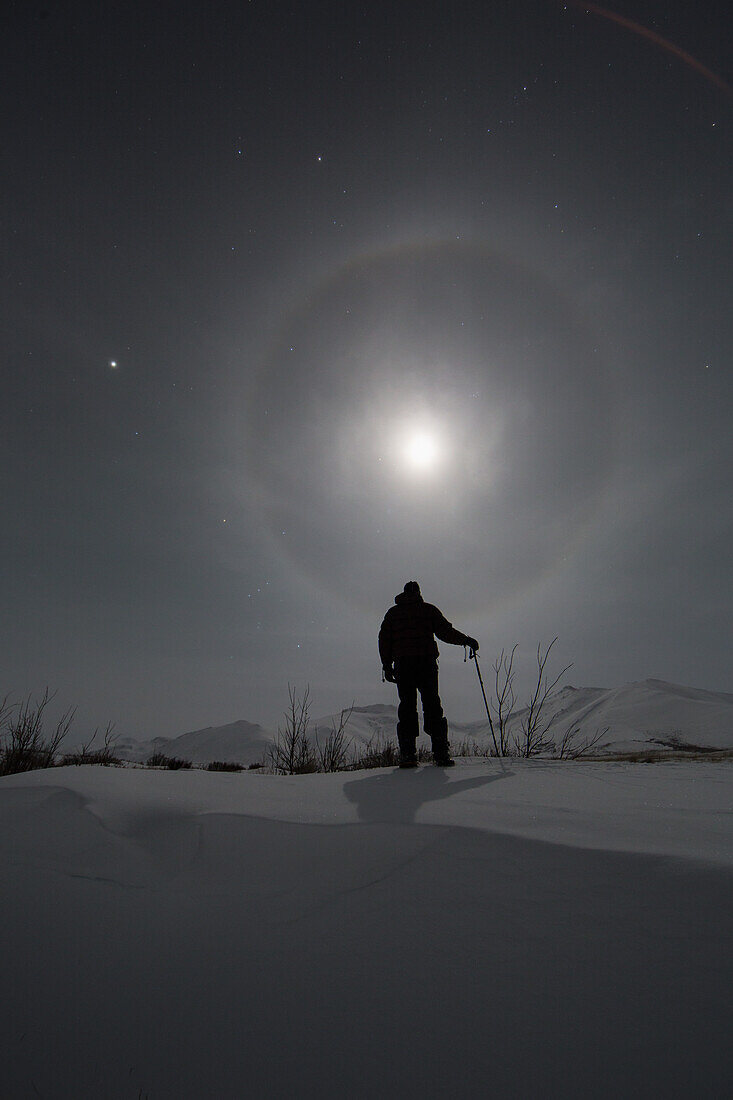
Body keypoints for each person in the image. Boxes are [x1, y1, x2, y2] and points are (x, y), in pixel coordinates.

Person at [378, 580, 479, 767]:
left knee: (407, 707)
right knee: (432, 704)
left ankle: (408, 755)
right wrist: (466, 640)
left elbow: (384, 640)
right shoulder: (428, 610)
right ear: (418, 592)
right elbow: (445, 632)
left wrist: (387, 665)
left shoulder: (393, 613)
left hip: (403, 665)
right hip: (426, 664)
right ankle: (440, 752)